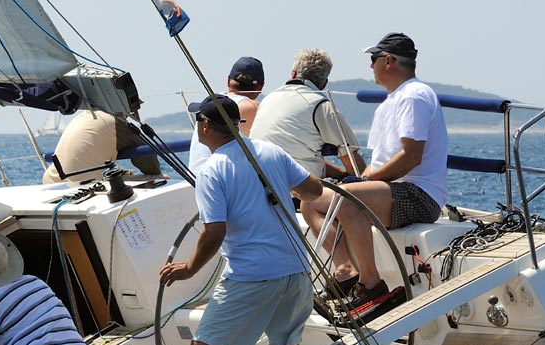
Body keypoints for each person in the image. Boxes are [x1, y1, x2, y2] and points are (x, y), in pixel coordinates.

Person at [160, 95, 326, 345]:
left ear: (204, 125)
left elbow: (214, 231)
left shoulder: (212, 169)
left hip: (252, 276)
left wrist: (188, 268)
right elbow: (313, 190)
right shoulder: (269, 151)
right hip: (296, 270)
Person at [301, 33, 447, 310]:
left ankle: (371, 286)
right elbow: (378, 162)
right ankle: (346, 271)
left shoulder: (414, 96)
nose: (370, 67)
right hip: (391, 191)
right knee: (311, 200)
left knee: (346, 198)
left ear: (388, 60)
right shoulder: (390, 103)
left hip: (419, 194)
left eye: (373, 59)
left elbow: (411, 157)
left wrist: (363, 182)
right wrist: (355, 180)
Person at [251, 49, 365, 180]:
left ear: (293, 74)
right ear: (324, 83)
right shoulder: (322, 106)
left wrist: (340, 174)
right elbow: (354, 165)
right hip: (299, 194)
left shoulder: (267, 99)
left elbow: (292, 154)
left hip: (259, 184)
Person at [42, 105, 161, 184]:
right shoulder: (115, 122)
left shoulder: (81, 117)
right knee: (157, 180)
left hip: (52, 181)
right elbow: (148, 161)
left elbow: (88, 155)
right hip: (83, 184)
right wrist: (156, 174)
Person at [188, 56, 266, 174]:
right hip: (220, 179)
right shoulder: (252, 107)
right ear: (260, 87)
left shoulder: (211, 102)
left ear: (229, 80)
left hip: (195, 178)